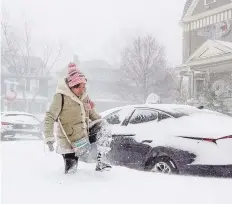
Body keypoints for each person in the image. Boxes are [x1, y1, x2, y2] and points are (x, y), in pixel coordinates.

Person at [43, 62, 112, 174]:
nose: (82, 89)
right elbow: (50, 117)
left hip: (83, 137)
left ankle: (102, 161)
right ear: (71, 86)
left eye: (84, 86)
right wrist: (49, 137)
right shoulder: (60, 97)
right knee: (71, 172)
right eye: (79, 87)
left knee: (103, 127)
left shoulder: (84, 97)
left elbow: (93, 115)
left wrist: (103, 122)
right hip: (69, 141)